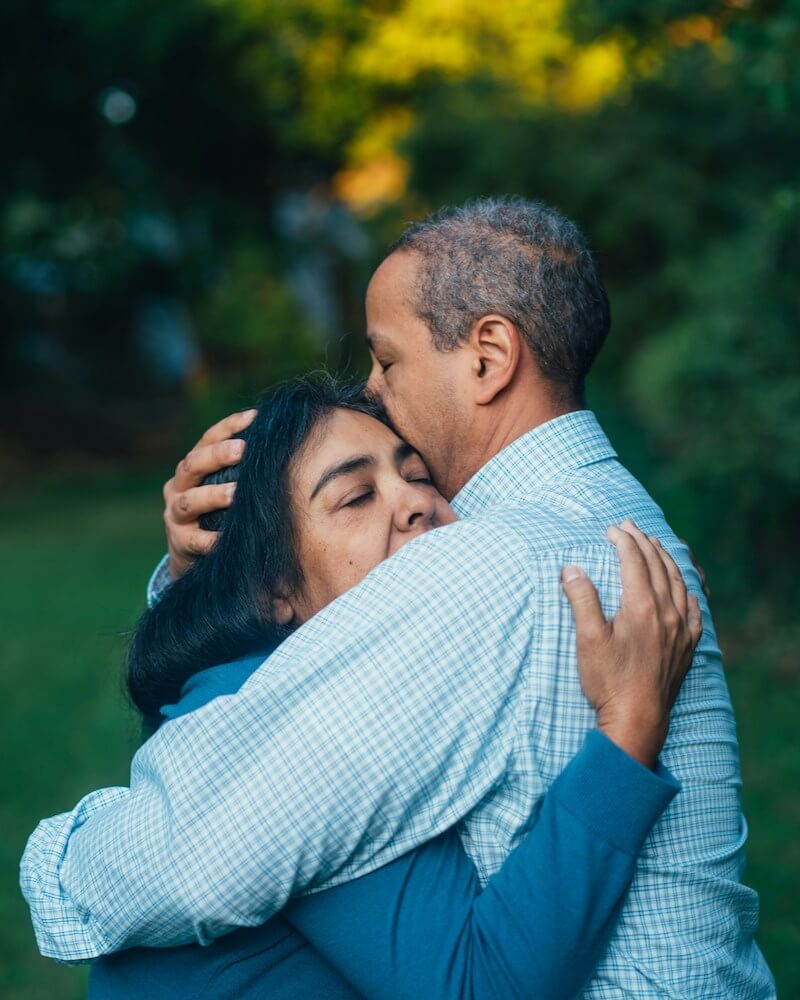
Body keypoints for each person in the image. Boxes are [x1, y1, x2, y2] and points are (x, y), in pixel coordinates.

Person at [21, 197, 775, 997]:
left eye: (387, 360)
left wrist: (60, 860)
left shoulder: (488, 561)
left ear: (488, 356)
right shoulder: (616, 519)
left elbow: (191, 856)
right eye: (356, 495)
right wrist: (207, 571)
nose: (375, 391)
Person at [89, 375, 690, 999]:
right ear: (273, 592)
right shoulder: (301, 731)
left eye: (420, 475)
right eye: (356, 497)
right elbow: (479, 985)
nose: (415, 502)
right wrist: (629, 726)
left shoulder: (287, 679)